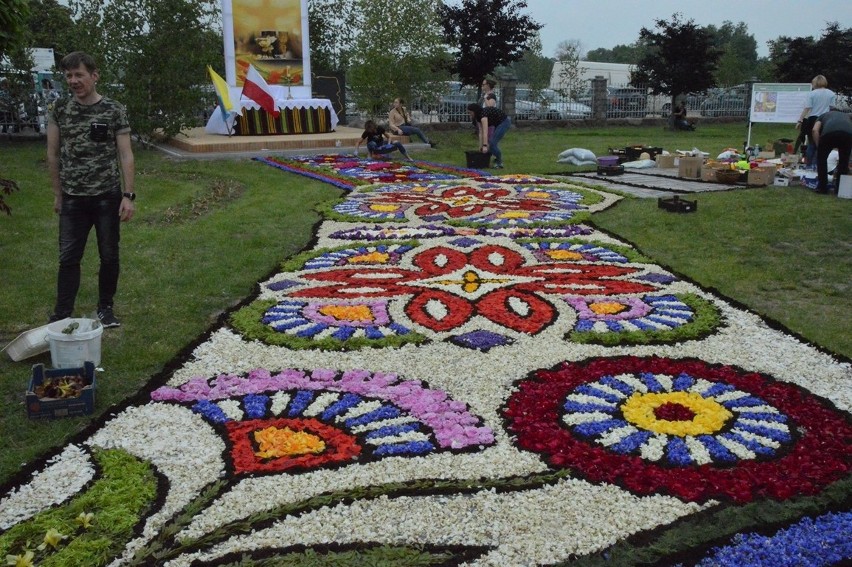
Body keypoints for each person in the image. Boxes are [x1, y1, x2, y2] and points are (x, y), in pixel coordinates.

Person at [47, 51, 136, 327]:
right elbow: (52, 154)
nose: (73, 81)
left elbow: (126, 155)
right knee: (69, 257)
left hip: (106, 197)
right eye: (69, 76)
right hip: (73, 199)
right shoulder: (60, 110)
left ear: (94, 76)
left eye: (79, 75)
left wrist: (128, 195)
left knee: (109, 255)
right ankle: (62, 313)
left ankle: (105, 309)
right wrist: (58, 194)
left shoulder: (113, 109)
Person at [797, 75, 836, 167]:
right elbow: (832, 107)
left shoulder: (812, 94)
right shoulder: (831, 93)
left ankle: (809, 165)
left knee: (812, 143)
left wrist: (800, 120)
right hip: (826, 119)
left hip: (813, 119)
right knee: (822, 143)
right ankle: (819, 165)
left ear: (815, 83)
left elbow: (807, 108)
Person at [810, 109, 852, 194]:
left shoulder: (822, 116)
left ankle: (822, 188)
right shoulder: (847, 116)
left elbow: (815, 130)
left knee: (821, 160)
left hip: (829, 134)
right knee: (843, 162)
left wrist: (819, 147)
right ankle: (840, 189)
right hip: (847, 135)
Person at [467, 93, 510, 168]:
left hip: (504, 122)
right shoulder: (478, 117)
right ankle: (496, 159)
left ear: (474, 111)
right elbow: (481, 132)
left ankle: (499, 162)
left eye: (470, 112)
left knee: (492, 144)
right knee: (491, 144)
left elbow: (485, 131)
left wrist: (485, 145)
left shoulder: (483, 116)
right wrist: (480, 147)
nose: (469, 114)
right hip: (497, 124)